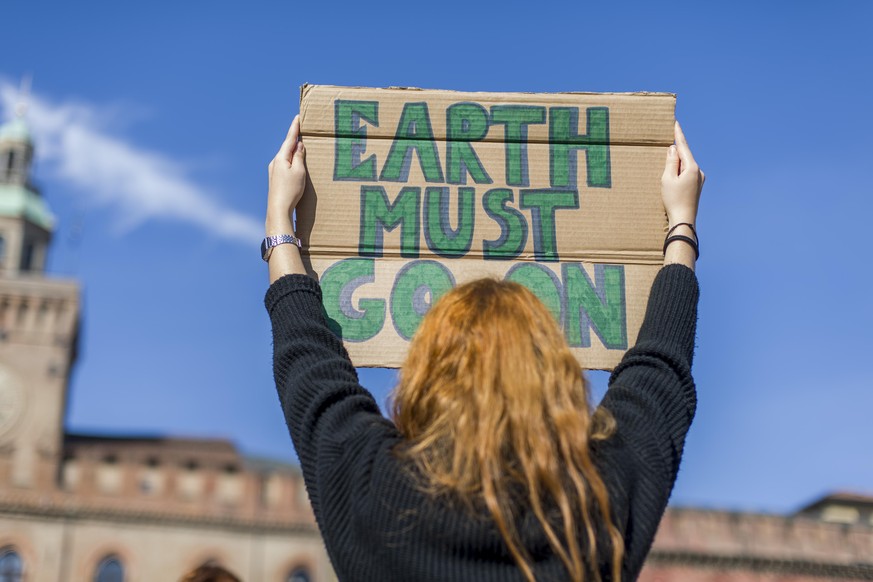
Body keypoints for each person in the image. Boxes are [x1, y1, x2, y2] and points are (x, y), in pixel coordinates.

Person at [264, 115, 704, 581]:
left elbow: (309, 360)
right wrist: (681, 224)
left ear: (425, 374)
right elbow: (660, 371)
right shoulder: (598, 505)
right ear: (554, 374)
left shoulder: (375, 490)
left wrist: (279, 220)